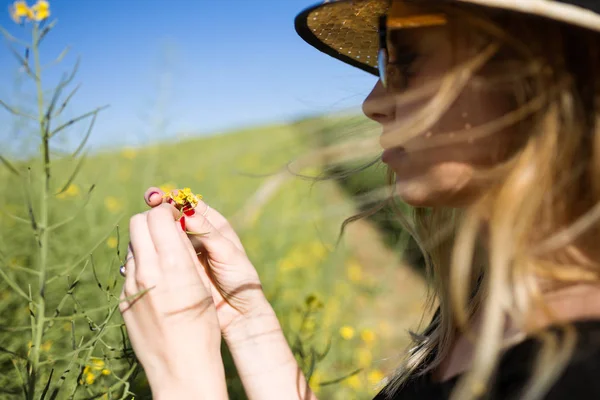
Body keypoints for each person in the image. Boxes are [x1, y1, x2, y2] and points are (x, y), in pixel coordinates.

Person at [118, 0, 600, 399]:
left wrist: (185, 381)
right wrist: (245, 319)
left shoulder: (578, 375)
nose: (373, 102)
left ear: (549, 72)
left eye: (404, 60)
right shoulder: (487, 297)